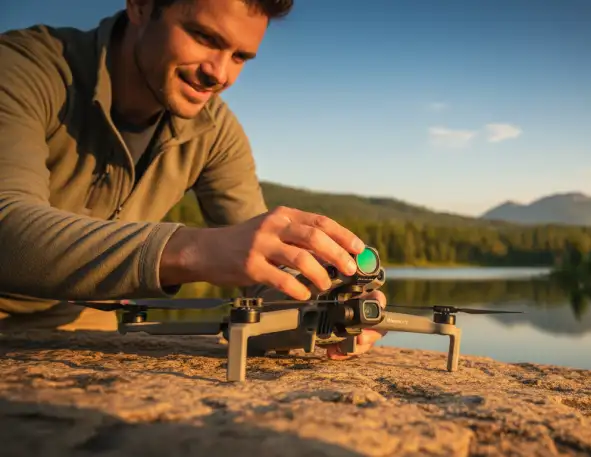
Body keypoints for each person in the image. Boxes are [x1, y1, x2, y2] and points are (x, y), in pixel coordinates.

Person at [0, 0, 387, 360]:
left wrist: (323, 309)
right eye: (204, 38)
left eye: (239, 57)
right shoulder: (21, 68)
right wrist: (192, 251)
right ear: (140, 6)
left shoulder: (217, 132)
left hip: (83, 325)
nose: (219, 73)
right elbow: (7, 225)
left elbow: (262, 282)